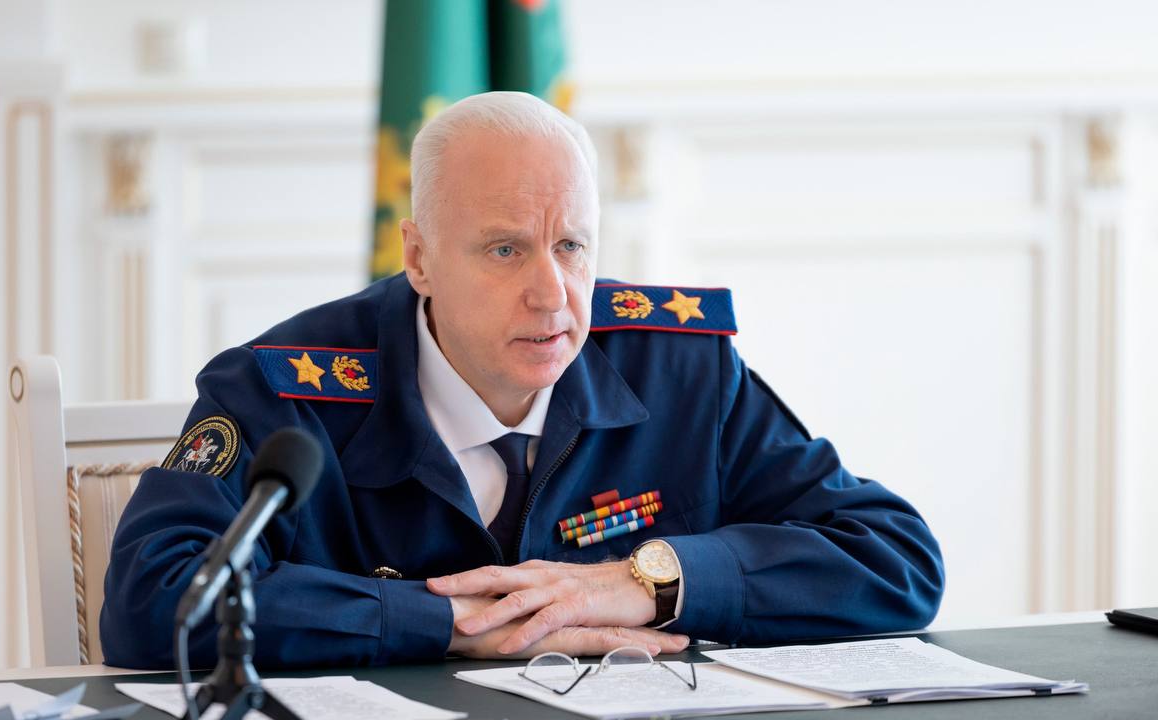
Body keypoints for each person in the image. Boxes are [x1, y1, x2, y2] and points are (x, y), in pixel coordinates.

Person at [101, 92, 944, 669]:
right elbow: (154, 600)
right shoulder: (283, 390)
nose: (552, 294)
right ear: (419, 257)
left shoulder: (678, 367)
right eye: (505, 249)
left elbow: (895, 559)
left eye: (572, 246)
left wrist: (646, 583)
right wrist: (450, 622)